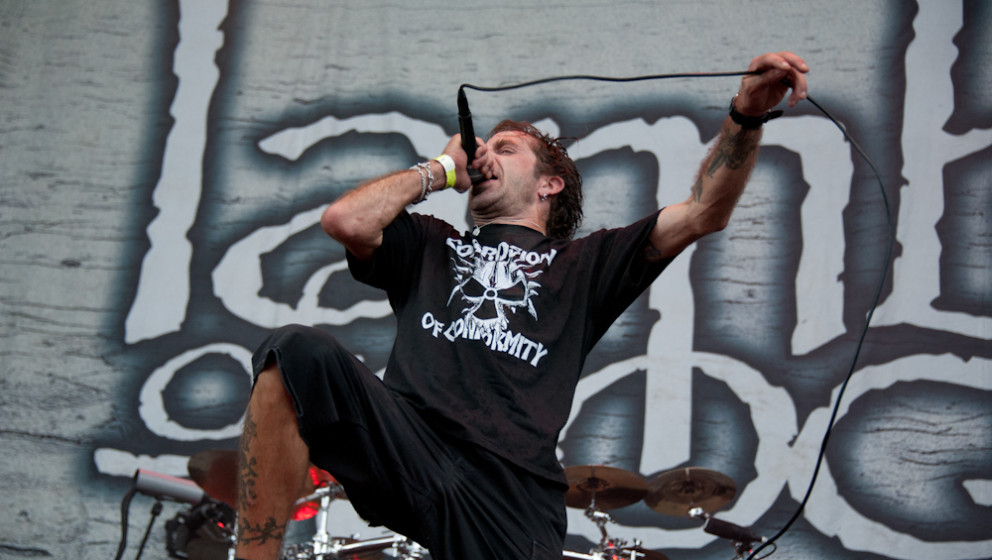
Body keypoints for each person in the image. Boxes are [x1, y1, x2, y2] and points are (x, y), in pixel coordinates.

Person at [234, 51, 809, 560]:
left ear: (549, 184)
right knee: (295, 352)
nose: (486, 155)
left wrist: (748, 112)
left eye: (505, 150)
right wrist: (438, 170)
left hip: (508, 490)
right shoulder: (431, 242)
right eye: (485, 148)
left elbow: (705, 211)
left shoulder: (587, 263)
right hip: (412, 445)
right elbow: (344, 221)